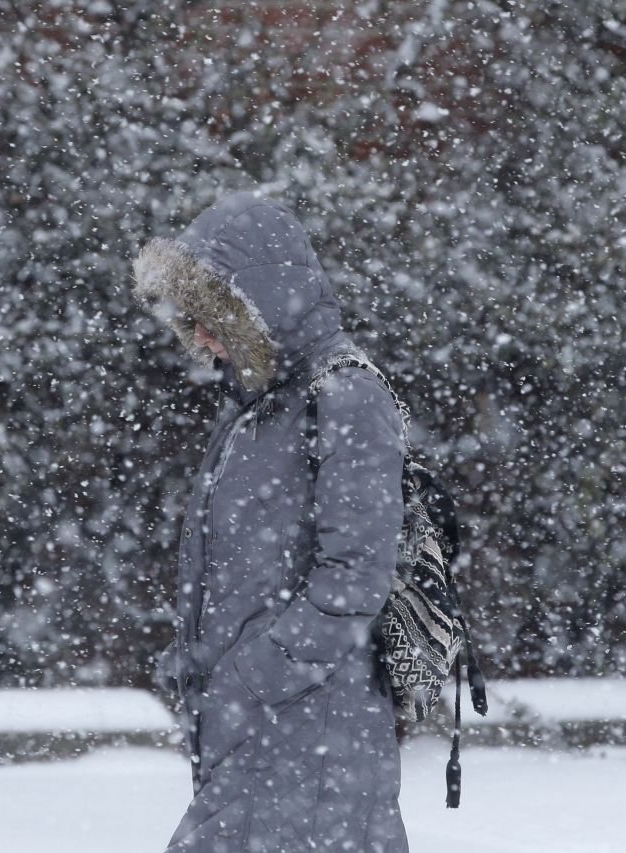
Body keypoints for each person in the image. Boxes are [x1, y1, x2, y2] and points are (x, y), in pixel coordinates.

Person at [130, 189, 410, 852]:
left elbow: (354, 580)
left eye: (210, 315)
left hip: (310, 738)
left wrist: (254, 678)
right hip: (264, 737)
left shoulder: (344, 395)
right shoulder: (258, 411)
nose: (196, 336)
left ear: (258, 306)